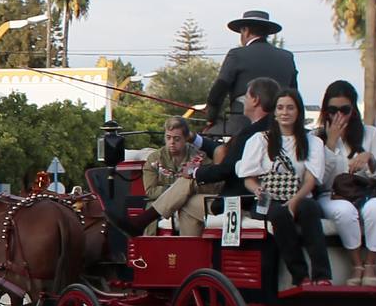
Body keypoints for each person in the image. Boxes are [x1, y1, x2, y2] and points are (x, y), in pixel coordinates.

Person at [119, 79, 281, 244]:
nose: (244, 101)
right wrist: (195, 141)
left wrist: (194, 171)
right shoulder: (270, 127)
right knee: (187, 196)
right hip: (245, 195)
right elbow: (223, 151)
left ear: (255, 100)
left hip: (239, 198)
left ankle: (145, 223)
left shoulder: (253, 133)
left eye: (246, 97)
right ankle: (181, 251)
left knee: (188, 186)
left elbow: (226, 169)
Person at [237, 88, 332, 286]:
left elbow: (310, 179)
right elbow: (249, 178)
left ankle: (322, 275)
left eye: (290, 108)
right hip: (268, 198)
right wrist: (258, 191)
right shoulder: (260, 140)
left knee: (310, 208)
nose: (285, 112)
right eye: (280, 108)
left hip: (299, 194)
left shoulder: (312, 142)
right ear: (274, 112)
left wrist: (295, 201)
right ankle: (300, 276)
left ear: (298, 112)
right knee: (279, 214)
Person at [313, 81, 376, 285]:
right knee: (345, 211)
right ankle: (356, 265)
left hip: (362, 192)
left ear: (353, 110)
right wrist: (330, 143)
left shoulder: (369, 133)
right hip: (330, 195)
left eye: (344, 110)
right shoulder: (316, 137)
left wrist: (369, 158)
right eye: (333, 110)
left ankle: (370, 265)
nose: (339, 115)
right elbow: (319, 178)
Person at [204, 10, 298, 136]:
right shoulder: (287, 57)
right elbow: (293, 92)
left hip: (240, 125)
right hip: (278, 126)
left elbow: (219, 89)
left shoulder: (237, 54)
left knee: (206, 140)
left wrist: (211, 117)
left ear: (245, 30)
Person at [137, 117, 212, 237]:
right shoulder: (154, 159)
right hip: (160, 207)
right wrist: (176, 190)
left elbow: (210, 186)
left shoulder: (200, 158)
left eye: (176, 139)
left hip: (190, 204)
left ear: (186, 139)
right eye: (168, 138)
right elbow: (150, 191)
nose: (171, 142)